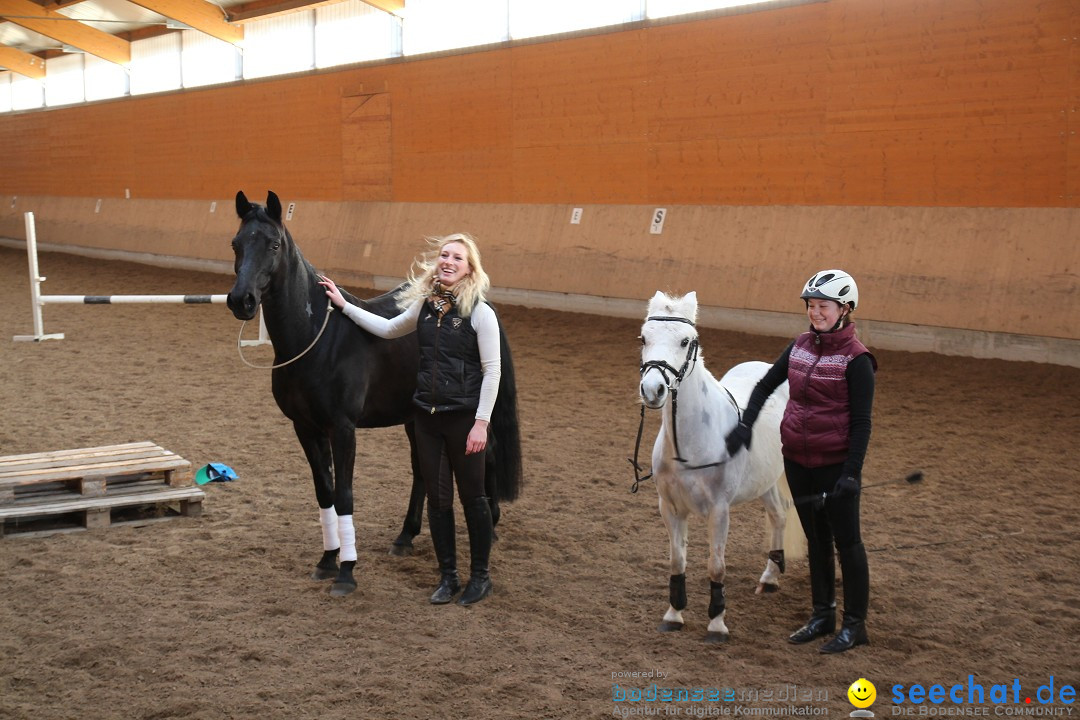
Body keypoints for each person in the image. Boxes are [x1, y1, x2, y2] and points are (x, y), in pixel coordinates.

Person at [318, 233, 501, 606]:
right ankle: (448, 577)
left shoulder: (480, 312)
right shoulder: (425, 307)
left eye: (457, 258)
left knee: (473, 499)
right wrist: (344, 305)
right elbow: (387, 329)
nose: (448, 262)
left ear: (470, 268)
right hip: (427, 418)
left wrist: (481, 422)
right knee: (438, 500)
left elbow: (492, 370)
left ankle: (480, 577)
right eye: (444, 255)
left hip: (464, 418)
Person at [724, 269, 877, 654]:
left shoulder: (858, 360)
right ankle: (823, 614)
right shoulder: (800, 346)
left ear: (845, 309)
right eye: (811, 306)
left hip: (835, 464)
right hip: (796, 460)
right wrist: (746, 425)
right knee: (817, 539)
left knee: (848, 544)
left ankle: (855, 624)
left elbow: (861, 423)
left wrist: (852, 473)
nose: (815, 312)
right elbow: (764, 385)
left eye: (822, 306)